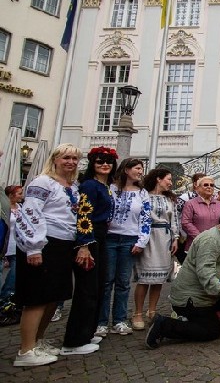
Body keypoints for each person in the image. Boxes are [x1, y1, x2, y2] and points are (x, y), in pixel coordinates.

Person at [14, 144, 99, 366]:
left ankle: (38, 341)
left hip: (64, 243)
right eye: (66, 158)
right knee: (37, 297)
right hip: (45, 243)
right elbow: (31, 213)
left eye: (75, 158)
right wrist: (34, 247)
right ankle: (26, 350)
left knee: (53, 296)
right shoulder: (43, 182)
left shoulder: (73, 186)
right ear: (55, 159)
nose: (71, 162)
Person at [145, 208, 220, 348]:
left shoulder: (219, 237)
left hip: (200, 295)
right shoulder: (211, 240)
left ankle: (187, 319)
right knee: (211, 331)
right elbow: (205, 273)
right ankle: (164, 325)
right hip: (190, 299)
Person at [62, 146, 118, 353]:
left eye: (108, 161)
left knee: (98, 286)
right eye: (100, 161)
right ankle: (74, 340)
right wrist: (84, 245)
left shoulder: (105, 186)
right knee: (86, 288)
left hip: (101, 236)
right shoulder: (89, 186)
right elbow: (84, 215)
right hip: (91, 236)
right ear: (93, 164)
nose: (105, 165)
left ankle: (87, 332)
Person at [98, 158, 151, 337]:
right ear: (126, 170)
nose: (140, 171)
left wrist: (141, 241)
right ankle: (101, 322)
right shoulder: (111, 189)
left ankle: (119, 320)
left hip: (130, 239)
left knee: (123, 282)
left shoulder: (142, 193)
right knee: (106, 281)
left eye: (141, 168)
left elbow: (145, 218)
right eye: (137, 168)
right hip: (110, 238)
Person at [131, 168, 179, 331]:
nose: (170, 183)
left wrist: (175, 238)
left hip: (164, 238)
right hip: (148, 237)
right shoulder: (143, 195)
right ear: (158, 179)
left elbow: (174, 220)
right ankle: (137, 313)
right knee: (144, 278)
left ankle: (152, 310)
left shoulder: (170, 199)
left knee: (159, 279)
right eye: (168, 179)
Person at [181, 176, 220, 252]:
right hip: (196, 245)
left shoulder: (219, 204)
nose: (209, 187)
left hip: (215, 245)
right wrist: (201, 237)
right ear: (198, 188)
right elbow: (185, 223)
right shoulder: (190, 204)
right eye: (206, 185)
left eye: (212, 185)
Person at [175, 173, 206, 264]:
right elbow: (175, 215)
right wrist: (179, 233)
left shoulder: (211, 199)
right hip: (185, 238)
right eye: (202, 182)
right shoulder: (185, 198)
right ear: (195, 184)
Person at [1, 185, 22, 302]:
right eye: (19, 193)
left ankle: (7, 294)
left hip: (16, 244)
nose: (21, 196)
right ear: (10, 195)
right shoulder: (4, 207)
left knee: (15, 270)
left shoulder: (20, 206)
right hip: (5, 243)